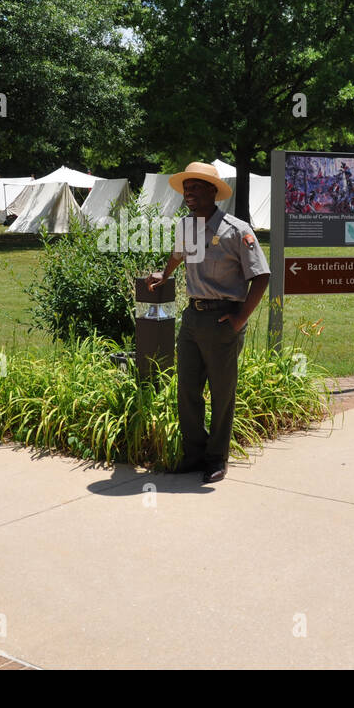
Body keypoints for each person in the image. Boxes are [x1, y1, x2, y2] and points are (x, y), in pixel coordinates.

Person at [148, 161, 270, 484]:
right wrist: (165, 273)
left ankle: (216, 459)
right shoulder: (186, 227)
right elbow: (178, 254)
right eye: (187, 187)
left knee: (221, 392)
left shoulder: (237, 230)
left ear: (213, 192)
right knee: (187, 389)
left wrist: (241, 317)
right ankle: (194, 454)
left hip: (222, 320)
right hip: (192, 318)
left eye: (197, 186)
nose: (189, 192)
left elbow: (261, 276)